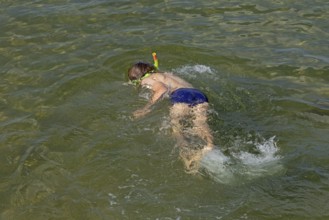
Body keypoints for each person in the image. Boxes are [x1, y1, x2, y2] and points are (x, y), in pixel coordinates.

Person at [128, 53, 214, 172]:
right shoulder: (166, 74)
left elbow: (162, 89)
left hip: (181, 95)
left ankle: (188, 159)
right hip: (198, 94)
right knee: (200, 123)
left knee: (176, 127)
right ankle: (209, 145)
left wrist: (145, 108)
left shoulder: (147, 80)